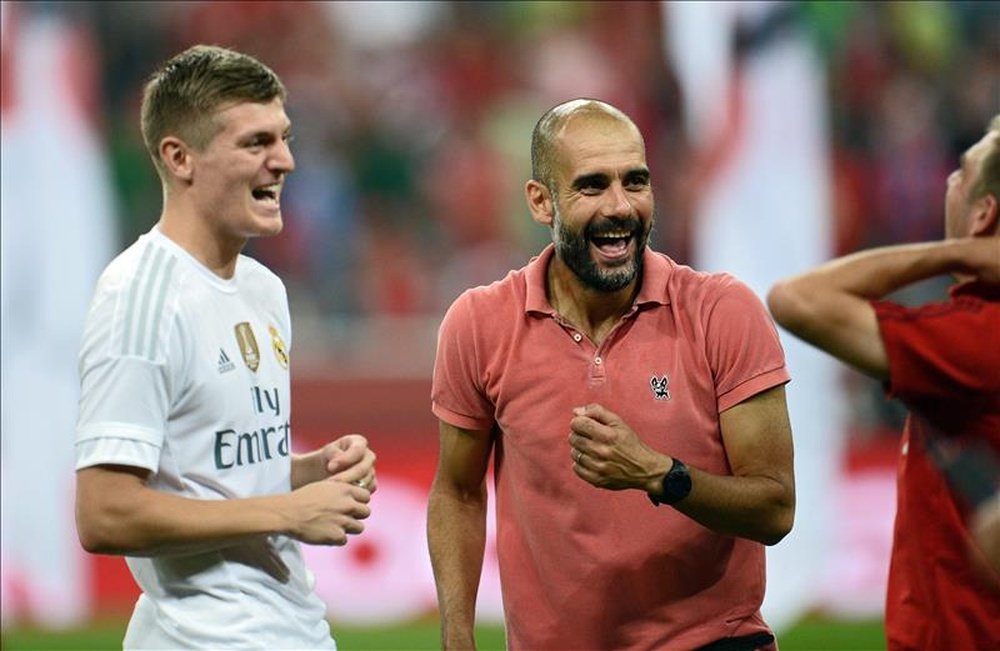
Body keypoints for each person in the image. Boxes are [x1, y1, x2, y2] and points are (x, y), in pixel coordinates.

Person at [427, 98, 795, 651]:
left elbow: (775, 507)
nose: (620, 206)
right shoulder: (479, 324)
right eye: (592, 186)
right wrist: (457, 638)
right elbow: (457, 492)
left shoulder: (723, 312)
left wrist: (659, 474)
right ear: (540, 201)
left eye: (636, 181)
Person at [74, 45, 376, 650]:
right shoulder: (140, 298)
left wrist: (304, 475)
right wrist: (287, 513)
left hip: (287, 624)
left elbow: (201, 472)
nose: (284, 161)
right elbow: (105, 513)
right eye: (255, 143)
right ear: (180, 158)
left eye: (284, 137)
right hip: (211, 637)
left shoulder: (262, 288)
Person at [766, 115, 1000, 650]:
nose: (948, 182)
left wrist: (953, 252)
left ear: (984, 214)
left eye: (962, 174)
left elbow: (795, 299)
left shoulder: (974, 336)